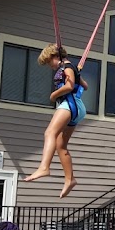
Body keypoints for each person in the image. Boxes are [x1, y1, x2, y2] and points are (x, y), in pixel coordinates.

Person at [24, 44, 87, 197]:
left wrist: (54, 95)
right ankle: (69, 179)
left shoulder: (66, 66)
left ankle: (44, 167)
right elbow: (84, 86)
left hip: (69, 105)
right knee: (61, 145)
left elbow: (70, 86)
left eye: (48, 62)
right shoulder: (70, 67)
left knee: (49, 133)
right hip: (77, 108)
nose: (50, 66)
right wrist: (76, 75)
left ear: (55, 57)